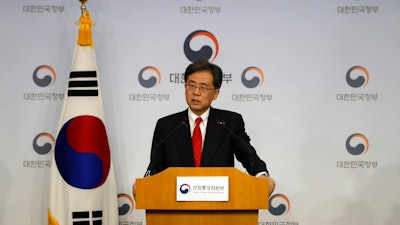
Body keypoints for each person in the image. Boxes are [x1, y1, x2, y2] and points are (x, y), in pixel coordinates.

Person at [141, 58, 275, 194]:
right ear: (185, 88)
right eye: (191, 85)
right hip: (176, 202)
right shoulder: (167, 125)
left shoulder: (230, 122)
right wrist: (146, 183)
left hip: (218, 204)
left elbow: (248, 155)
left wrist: (260, 174)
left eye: (203, 87)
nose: (196, 92)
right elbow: (155, 167)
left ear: (216, 93)